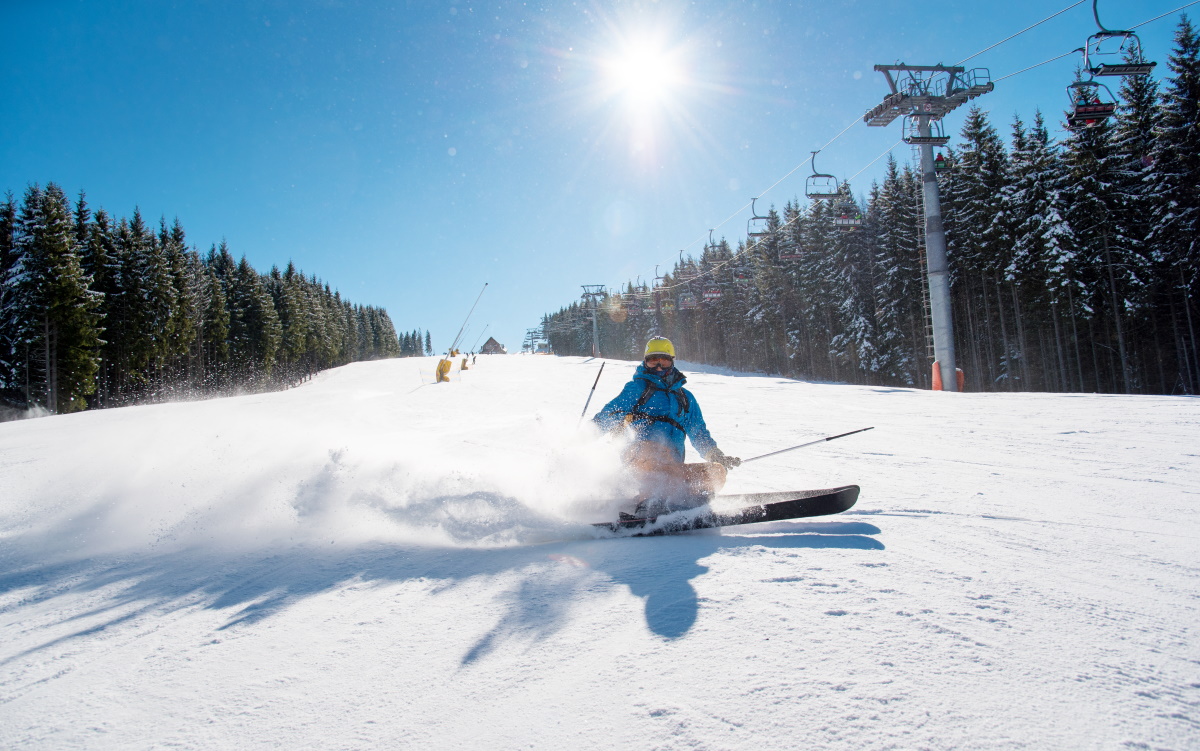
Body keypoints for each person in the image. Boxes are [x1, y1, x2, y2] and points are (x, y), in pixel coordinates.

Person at [593, 337, 740, 515]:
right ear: (645, 362)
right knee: (655, 451)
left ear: (672, 362)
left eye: (664, 361)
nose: (659, 367)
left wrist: (716, 455)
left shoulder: (685, 398)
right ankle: (649, 501)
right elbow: (612, 412)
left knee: (716, 471)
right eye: (653, 361)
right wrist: (586, 434)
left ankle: (692, 501)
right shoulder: (638, 388)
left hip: (671, 468)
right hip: (639, 460)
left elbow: (698, 432)